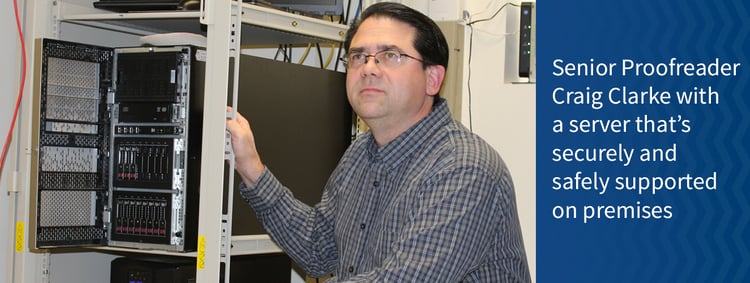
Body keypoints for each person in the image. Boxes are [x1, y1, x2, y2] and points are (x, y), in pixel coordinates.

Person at [226, 2, 531, 282]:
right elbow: (319, 251)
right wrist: (251, 168)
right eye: (358, 56)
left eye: (390, 55)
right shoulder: (361, 153)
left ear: (433, 79)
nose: (369, 68)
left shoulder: (464, 167)